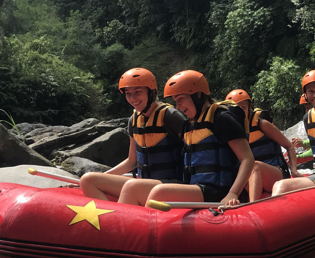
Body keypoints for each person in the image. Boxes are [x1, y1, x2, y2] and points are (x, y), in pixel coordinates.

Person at [146, 71, 255, 207]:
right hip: (195, 188)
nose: (178, 106)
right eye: (175, 101)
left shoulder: (222, 118)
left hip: (219, 191)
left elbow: (247, 159)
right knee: (132, 187)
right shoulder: (189, 124)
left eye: (181, 99)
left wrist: (233, 193)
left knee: (159, 192)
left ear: (198, 95)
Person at [80, 68, 186, 204]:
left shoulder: (170, 116)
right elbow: (131, 161)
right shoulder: (134, 120)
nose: (133, 98)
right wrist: (102, 177)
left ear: (152, 92)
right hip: (144, 184)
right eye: (128, 94)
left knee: (132, 187)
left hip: (173, 184)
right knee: (88, 179)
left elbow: (194, 150)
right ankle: (108, 218)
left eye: (138, 92)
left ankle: (120, 221)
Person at [225, 89, 302, 201]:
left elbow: (289, 146)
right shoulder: (232, 132)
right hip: (251, 177)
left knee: (255, 166)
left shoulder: (261, 124)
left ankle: (253, 207)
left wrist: (294, 171)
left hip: (275, 173)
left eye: (243, 107)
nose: (240, 112)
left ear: (249, 107)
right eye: (236, 109)